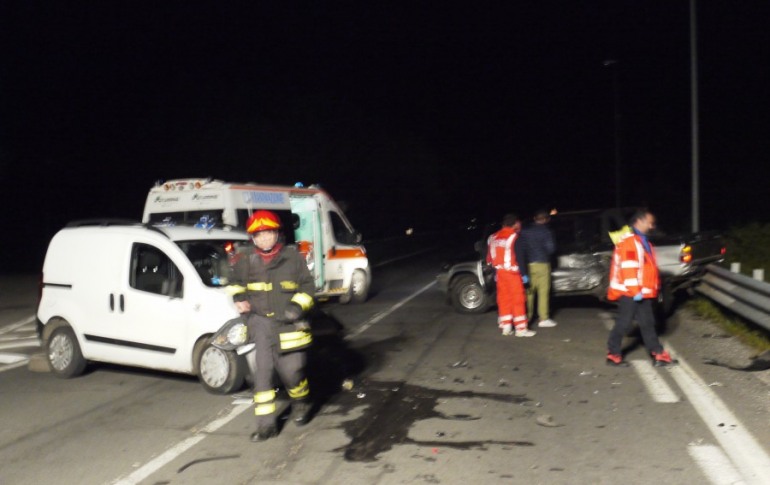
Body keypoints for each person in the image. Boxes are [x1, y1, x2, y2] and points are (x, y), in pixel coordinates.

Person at [227, 210, 316, 442]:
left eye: (268, 233)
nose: (264, 239)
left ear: (277, 233)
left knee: (292, 373)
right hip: (260, 324)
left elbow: (308, 287)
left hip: (288, 325)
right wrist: (239, 298)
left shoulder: (293, 258)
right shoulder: (246, 260)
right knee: (263, 374)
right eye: (259, 235)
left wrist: (297, 308)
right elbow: (234, 283)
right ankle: (266, 426)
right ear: (253, 239)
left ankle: (301, 402)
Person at [605, 209, 677, 367]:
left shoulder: (643, 241)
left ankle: (658, 354)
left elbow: (646, 268)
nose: (652, 226)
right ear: (639, 221)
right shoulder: (630, 241)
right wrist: (635, 291)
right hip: (631, 291)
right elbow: (629, 268)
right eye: (650, 222)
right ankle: (613, 354)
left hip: (641, 292)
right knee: (624, 323)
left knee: (648, 323)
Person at [486, 213, 536, 337]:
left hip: (500, 274)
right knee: (518, 300)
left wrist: (495, 273)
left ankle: (506, 327)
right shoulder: (515, 237)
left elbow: (489, 258)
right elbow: (520, 257)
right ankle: (521, 329)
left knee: (503, 299)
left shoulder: (493, 237)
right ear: (514, 224)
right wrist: (524, 275)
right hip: (513, 274)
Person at [521, 209, 557, 328]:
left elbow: (522, 249)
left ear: (534, 218)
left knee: (529, 293)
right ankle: (543, 318)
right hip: (542, 264)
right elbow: (551, 249)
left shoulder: (525, 231)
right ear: (546, 219)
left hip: (528, 265)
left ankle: (526, 318)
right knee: (543, 292)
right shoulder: (546, 231)